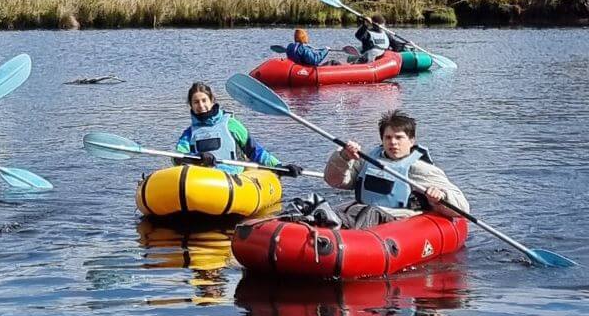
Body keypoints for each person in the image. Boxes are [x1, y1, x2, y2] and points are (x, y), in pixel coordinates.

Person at [323, 109, 469, 229]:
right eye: (388, 137)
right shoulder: (368, 159)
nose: (393, 143)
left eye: (399, 137)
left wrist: (441, 197)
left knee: (370, 213)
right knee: (324, 209)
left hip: (396, 219)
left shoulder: (420, 169)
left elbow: (462, 207)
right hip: (361, 213)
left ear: (411, 141)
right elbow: (334, 181)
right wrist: (343, 157)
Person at [175, 81, 303, 177]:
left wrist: (279, 167)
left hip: (231, 176)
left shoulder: (231, 124)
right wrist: (197, 157)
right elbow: (177, 156)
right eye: (196, 102)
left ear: (212, 101)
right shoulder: (189, 133)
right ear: (190, 105)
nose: (201, 105)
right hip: (203, 178)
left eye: (204, 100)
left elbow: (255, 151)